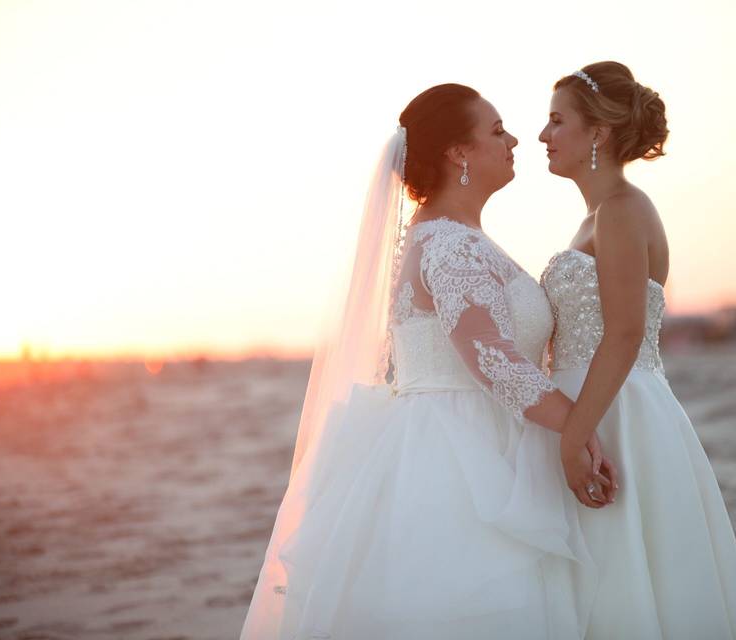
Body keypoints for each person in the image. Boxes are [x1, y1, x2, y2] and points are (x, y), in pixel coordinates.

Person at [240, 83, 612, 640]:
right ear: (458, 153)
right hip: (457, 461)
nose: (514, 139)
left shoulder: (458, 237)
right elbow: (496, 362)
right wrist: (581, 428)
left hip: (472, 441)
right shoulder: (448, 246)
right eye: (496, 130)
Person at [538, 62, 736, 639]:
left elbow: (623, 334)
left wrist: (572, 440)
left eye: (556, 120)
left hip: (618, 417)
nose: (543, 135)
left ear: (599, 133)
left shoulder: (621, 210)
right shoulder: (597, 215)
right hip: (594, 407)